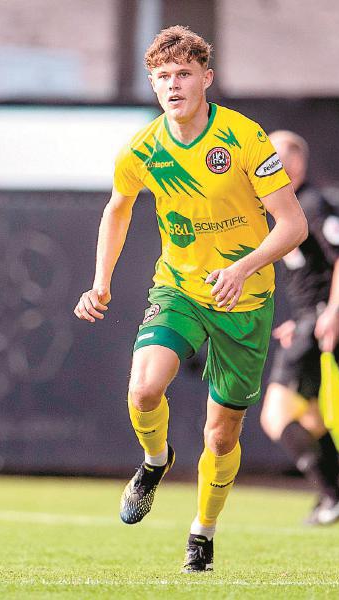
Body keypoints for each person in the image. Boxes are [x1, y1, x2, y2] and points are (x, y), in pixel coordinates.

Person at [73, 26, 307, 573]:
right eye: (163, 77)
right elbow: (118, 208)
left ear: (207, 78)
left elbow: (293, 225)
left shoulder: (245, 139)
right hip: (178, 288)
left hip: (245, 301)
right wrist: (100, 281)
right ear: (153, 87)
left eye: (184, 74)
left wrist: (245, 266)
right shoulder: (142, 149)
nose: (174, 85)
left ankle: (202, 531)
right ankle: (155, 461)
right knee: (144, 387)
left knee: (220, 434)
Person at [260, 130, 339, 526]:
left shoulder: (312, 205)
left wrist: (331, 311)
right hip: (312, 318)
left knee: (274, 415)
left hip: (325, 319)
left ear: (296, 163)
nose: (268, 166)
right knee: (310, 416)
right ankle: (333, 497)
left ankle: (331, 495)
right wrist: (302, 318)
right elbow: (313, 274)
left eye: (275, 159)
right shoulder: (291, 208)